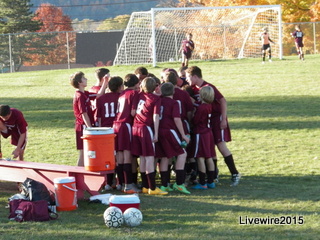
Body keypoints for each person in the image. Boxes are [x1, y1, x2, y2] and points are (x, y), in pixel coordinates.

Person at [185, 66, 241, 187]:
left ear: (195, 76)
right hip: (206, 122)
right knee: (210, 148)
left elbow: (223, 101)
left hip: (216, 119)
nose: (187, 80)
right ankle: (213, 176)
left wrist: (223, 119)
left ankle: (235, 173)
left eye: (188, 77)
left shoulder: (208, 87)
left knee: (221, 145)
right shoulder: (194, 88)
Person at [131, 77, 167, 195]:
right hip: (146, 128)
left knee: (142, 157)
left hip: (135, 126)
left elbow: (133, 111)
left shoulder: (139, 95)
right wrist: (156, 133)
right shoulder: (156, 99)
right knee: (150, 157)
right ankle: (152, 187)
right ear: (155, 86)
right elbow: (155, 117)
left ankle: (145, 186)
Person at [156, 82, 191, 194]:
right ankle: (179, 183)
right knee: (182, 154)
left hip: (159, 130)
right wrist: (183, 134)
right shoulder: (174, 102)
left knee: (165, 157)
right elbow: (177, 119)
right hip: (169, 130)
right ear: (173, 92)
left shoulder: (159, 100)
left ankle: (164, 185)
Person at [112, 74, 141, 194]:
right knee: (127, 155)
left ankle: (121, 183)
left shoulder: (122, 93)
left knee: (120, 156)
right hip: (126, 125)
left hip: (116, 124)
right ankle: (129, 185)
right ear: (135, 83)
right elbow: (133, 112)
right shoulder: (133, 94)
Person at [190, 86, 216, 190]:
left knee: (200, 157)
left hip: (200, 133)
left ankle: (202, 182)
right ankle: (211, 181)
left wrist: (192, 114)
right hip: (209, 133)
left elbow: (195, 121)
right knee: (209, 157)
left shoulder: (201, 108)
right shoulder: (209, 105)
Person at [70, 71, 94, 166]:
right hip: (82, 126)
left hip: (84, 126)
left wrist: (105, 82)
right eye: (84, 78)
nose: (86, 79)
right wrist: (89, 127)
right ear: (79, 82)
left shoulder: (85, 94)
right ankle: (78, 175)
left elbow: (98, 95)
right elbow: (83, 113)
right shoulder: (79, 95)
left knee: (87, 152)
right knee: (83, 152)